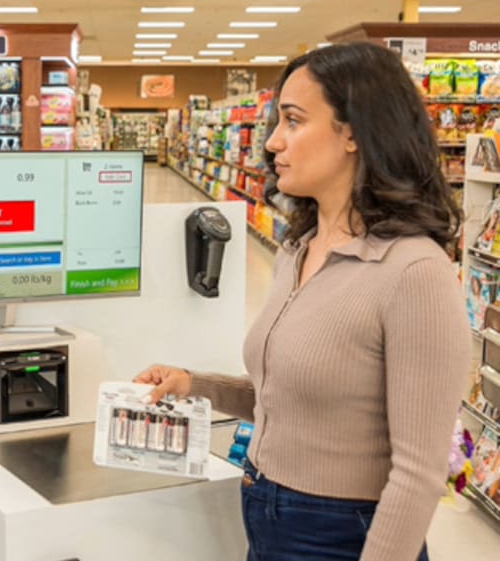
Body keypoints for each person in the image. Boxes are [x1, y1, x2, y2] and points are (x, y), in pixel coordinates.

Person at [136, 42, 468, 561]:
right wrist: (195, 384)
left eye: (293, 121)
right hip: (266, 512)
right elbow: (294, 399)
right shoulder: (298, 249)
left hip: (344, 535)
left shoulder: (414, 271)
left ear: (355, 131)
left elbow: (418, 473)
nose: (271, 142)